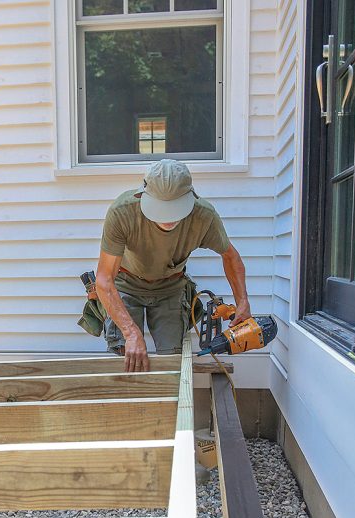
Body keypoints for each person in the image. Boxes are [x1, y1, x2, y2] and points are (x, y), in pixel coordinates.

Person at [96, 159, 252, 372]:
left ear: (190, 197)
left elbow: (231, 257)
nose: (168, 217)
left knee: (173, 361)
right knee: (123, 355)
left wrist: (242, 301)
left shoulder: (204, 217)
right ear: (144, 195)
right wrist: (131, 333)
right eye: (161, 208)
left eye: (174, 209)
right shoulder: (123, 212)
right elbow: (104, 280)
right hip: (126, 283)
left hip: (170, 288)